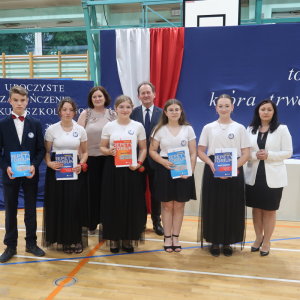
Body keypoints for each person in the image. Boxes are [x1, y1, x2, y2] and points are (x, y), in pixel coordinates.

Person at [198, 94, 250, 257]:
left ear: (232, 107)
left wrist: (231, 169)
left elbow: (246, 154)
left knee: (232, 206)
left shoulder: (240, 128)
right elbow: (201, 151)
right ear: (216, 108)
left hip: (234, 169)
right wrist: (212, 164)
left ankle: (227, 242)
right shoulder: (208, 127)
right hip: (213, 169)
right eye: (220, 106)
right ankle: (214, 241)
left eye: (227, 106)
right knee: (214, 205)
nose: (224, 109)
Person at [0, 85, 46, 263]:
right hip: (10, 174)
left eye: (22, 100)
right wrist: (6, 168)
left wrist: (34, 165)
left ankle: (31, 244)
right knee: (10, 211)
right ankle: (10, 246)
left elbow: (41, 149)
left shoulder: (35, 123)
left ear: (27, 101)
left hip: (29, 174)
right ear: (9, 101)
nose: (19, 103)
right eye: (16, 100)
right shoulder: (3, 123)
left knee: (30, 210)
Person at [245, 99, 292, 256]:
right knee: (256, 209)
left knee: (269, 210)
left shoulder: (281, 129)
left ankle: (266, 242)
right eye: (262, 109)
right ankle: (258, 238)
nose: (265, 112)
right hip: (253, 176)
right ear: (258, 111)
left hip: (273, 176)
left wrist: (269, 155)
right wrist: (254, 155)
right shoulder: (250, 129)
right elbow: (244, 153)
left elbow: (288, 151)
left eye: (269, 109)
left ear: (274, 112)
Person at [100, 95, 147, 254]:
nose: (125, 110)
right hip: (112, 170)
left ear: (131, 109)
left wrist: (139, 163)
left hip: (131, 170)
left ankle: (127, 238)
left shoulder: (138, 126)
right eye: (121, 107)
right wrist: (109, 151)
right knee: (113, 202)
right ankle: (114, 239)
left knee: (130, 203)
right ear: (116, 109)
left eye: (128, 107)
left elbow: (144, 149)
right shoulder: (109, 126)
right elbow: (102, 148)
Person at [149, 99, 197, 253]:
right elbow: (152, 151)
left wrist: (189, 172)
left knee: (179, 205)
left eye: (177, 109)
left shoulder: (188, 129)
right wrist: (163, 162)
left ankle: (176, 237)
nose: (174, 112)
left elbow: (193, 152)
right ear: (165, 112)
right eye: (171, 110)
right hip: (165, 169)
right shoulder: (159, 129)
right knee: (168, 205)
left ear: (181, 111)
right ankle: (167, 237)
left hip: (183, 170)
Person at [43, 97, 88, 254]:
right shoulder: (51, 130)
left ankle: (76, 240)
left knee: (74, 205)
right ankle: (64, 240)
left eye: (71, 110)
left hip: (74, 172)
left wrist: (81, 164)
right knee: (60, 204)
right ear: (59, 111)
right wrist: (49, 163)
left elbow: (85, 152)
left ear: (75, 112)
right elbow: (46, 153)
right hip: (56, 172)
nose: (68, 112)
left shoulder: (80, 130)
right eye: (64, 109)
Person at [77, 86, 116, 234]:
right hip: (90, 159)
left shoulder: (113, 114)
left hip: (108, 159)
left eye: (100, 96)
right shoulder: (85, 114)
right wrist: (81, 160)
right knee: (91, 193)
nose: (97, 99)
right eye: (94, 97)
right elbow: (78, 137)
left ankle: (107, 224)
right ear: (90, 99)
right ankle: (91, 224)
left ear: (105, 97)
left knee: (107, 193)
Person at [130, 81, 164, 236]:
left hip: (157, 161)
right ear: (138, 96)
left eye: (148, 92)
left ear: (154, 94)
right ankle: (140, 222)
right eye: (142, 93)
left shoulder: (163, 113)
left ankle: (157, 222)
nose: (146, 95)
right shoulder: (132, 113)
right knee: (138, 192)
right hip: (137, 160)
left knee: (156, 193)